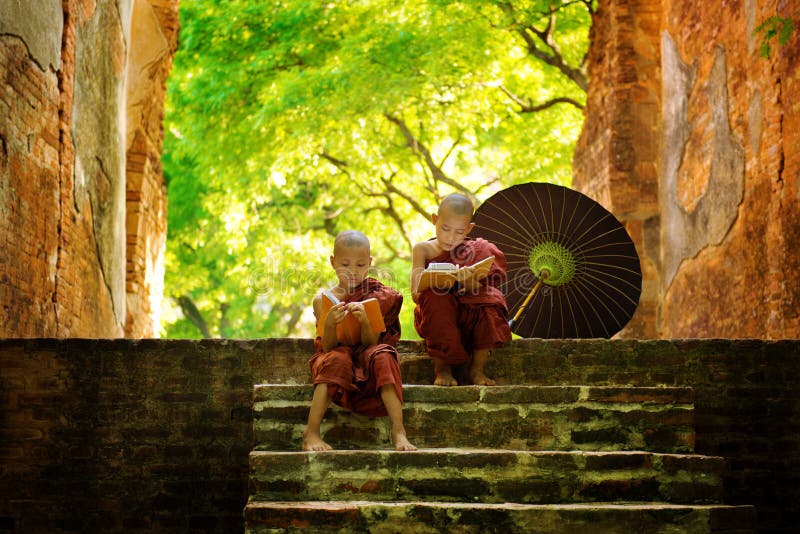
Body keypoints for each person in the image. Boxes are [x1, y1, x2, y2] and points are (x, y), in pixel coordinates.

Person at [303, 230, 416, 452]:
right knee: (337, 359)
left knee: (384, 354)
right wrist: (329, 324)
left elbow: (371, 342)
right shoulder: (322, 300)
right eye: (345, 264)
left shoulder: (375, 295)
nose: (353, 272)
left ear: (370, 263)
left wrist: (365, 321)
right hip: (337, 354)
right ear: (333, 262)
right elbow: (327, 347)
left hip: (367, 353)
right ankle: (311, 432)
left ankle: (398, 430)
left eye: (360, 265)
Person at [411, 193, 512, 387]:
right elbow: (416, 294)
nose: (450, 237)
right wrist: (437, 281)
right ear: (434, 220)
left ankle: (476, 370)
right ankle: (442, 369)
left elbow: (482, 287)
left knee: (490, 299)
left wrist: (468, 281)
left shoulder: (476, 249)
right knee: (435, 297)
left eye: (459, 232)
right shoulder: (422, 249)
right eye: (445, 228)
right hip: (437, 314)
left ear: (469, 229)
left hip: (467, 313)